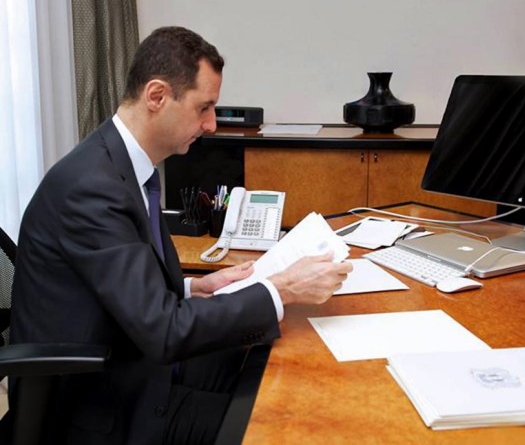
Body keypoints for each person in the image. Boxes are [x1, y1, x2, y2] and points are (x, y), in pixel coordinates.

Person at [6, 26, 352, 445]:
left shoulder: (121, 165)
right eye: (203, 107)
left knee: (268, 368)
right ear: (156, 96)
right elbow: (164, 331)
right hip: (96, 403)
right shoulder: (91, 188)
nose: (210, 124)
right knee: (282, 424)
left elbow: (124, 291)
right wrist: (282, 289)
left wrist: (193, 287)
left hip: (130, 357)